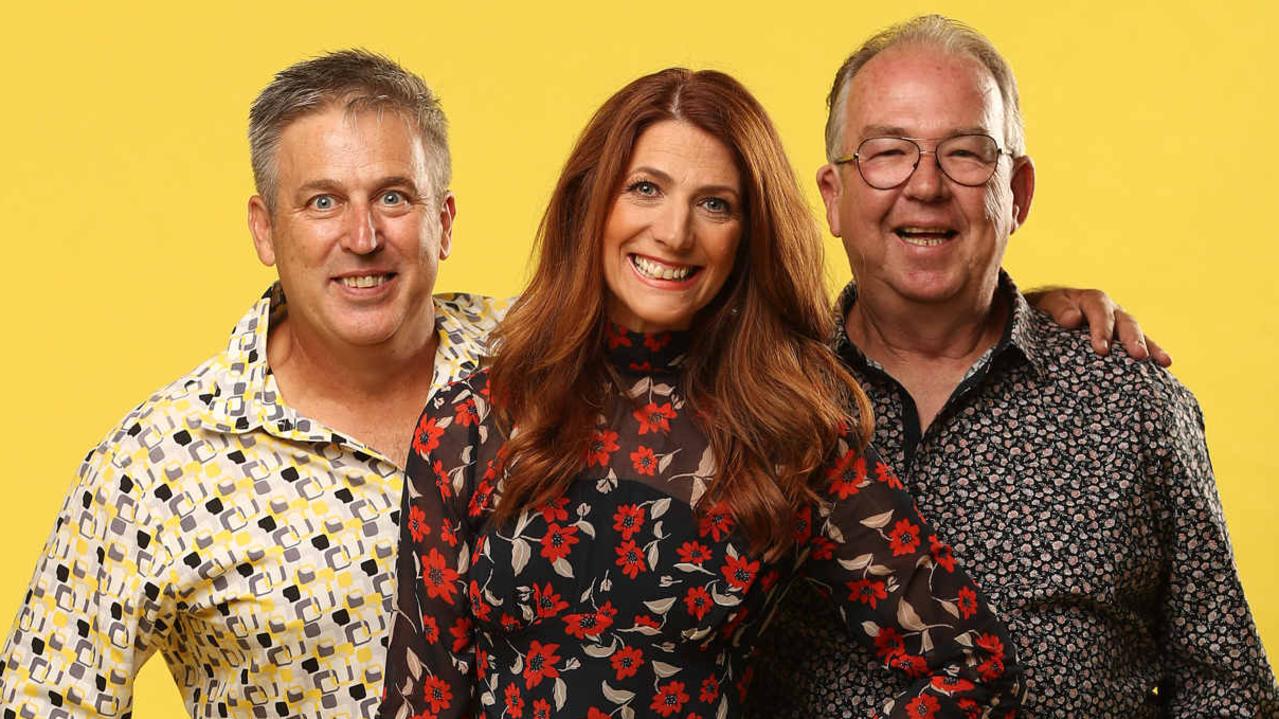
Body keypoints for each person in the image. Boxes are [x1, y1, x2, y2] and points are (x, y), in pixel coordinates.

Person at [378, 67, 1027, 719]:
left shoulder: (788, 435)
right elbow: (421, 700)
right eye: (645, 189)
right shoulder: (468, 422)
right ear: (590, 202)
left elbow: (976, 668)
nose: (674, 232)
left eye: (714, 203)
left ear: (747, 235)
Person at [751, 15, 1279, 717]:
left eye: (965, 154)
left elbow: (1228, 687)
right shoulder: (757, 401)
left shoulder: (1130, 405)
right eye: (886, 153)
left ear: (1018, 192)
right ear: (832, 196)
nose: (926, 185)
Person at [0, 50, 506, 717]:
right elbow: (43, 699)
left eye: (392, 197)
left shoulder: (549, 369)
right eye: (322, 202)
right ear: (265, 229)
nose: (362, 236)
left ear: (442, 221)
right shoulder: (156, 464)